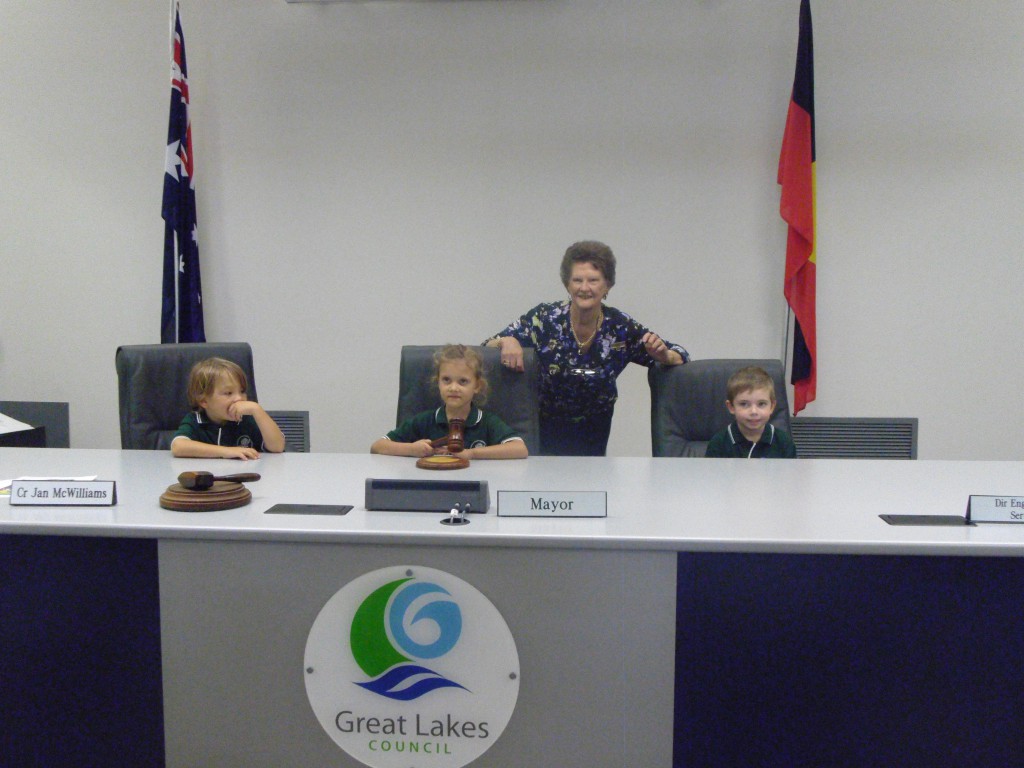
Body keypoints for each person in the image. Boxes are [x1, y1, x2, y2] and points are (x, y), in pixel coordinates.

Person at [484, 240, 689, 456]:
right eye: (577, 280)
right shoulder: (545, 318)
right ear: (567, 285)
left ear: (607, 285)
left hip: (595, 431)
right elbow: (488, 344)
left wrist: (665, 355)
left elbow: (680, 355)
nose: (584, 288)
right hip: (544, 429)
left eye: (593, 280)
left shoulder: (619, 326)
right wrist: (507, 341)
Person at [371, 344, 528, 459]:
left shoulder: (486, 422)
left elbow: (520, 449)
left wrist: (471, 453)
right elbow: (377, 446)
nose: (453, 388)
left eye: (463, 381)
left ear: (477, 386)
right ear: (438, 381)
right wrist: (412, 449)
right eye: (446, 380)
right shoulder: (425, 421)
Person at [170, 357, 286, 459]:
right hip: (209, 479)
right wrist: (226, 451)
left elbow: (277, 447)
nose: (239, 398)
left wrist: (257, 410)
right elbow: (178, 447)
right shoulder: (195, 420)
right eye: (228, 393)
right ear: (204, 401)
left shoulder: (247, 419)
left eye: (242, 391)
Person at [705, 366, 797, 458]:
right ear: (731, 407)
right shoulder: (718, 444)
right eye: (744, 404)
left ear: (772, 407)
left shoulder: (784, 443)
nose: (753, 411)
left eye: (761, 404)